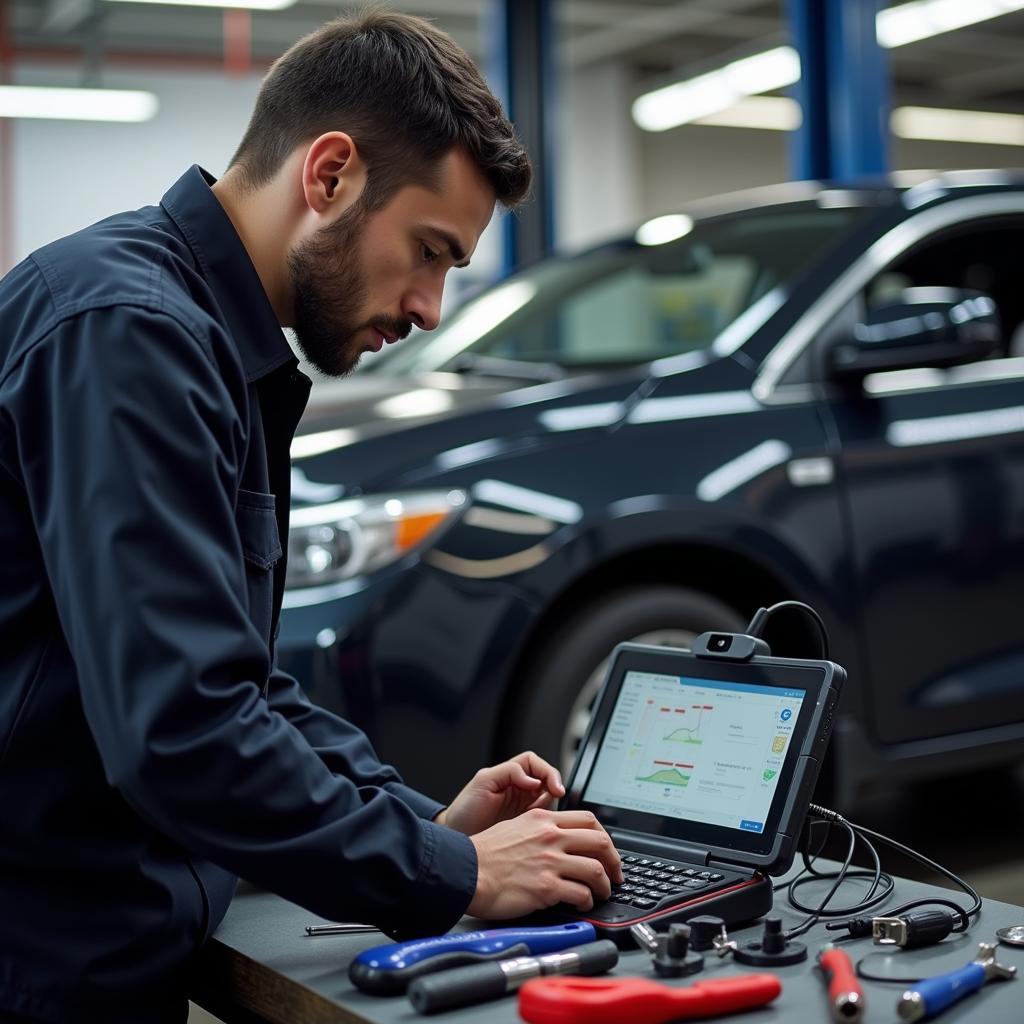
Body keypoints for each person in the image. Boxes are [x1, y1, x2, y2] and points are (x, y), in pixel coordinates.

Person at [0, 11, 621, 1023]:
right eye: (428, 252)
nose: (429, 307)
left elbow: (232, 681)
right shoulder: (131, 336)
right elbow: (184, 730)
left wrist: (426, 826)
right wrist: (453, 873)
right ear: (329, 174)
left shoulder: (194, 335)